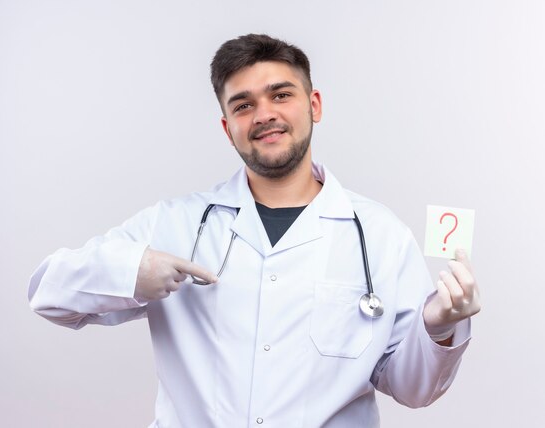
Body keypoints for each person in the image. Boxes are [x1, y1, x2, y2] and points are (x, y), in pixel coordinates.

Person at [28, 34, 481, 427]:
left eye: (280, 95)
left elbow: (413, 389)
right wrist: (132, 271)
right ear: (228, 128)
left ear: (314, 105)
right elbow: (48, 293)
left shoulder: (379, 235)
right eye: (243, 105)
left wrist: (439, 327)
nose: (263, 114)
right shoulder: (177, 224)